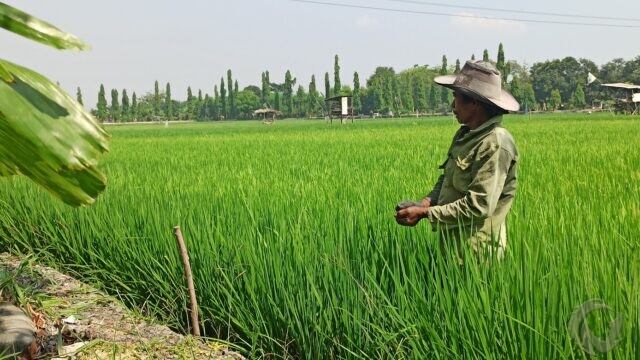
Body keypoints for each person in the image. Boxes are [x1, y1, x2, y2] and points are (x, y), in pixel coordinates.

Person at [395, 60, 520, 263]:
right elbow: (447, 178)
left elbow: (479, 205)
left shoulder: (495, 143)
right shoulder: (466, 135)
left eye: (457, 99)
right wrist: (424, 203)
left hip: (477, 255)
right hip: (452, 249)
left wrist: (425, 213)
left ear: (475, 103)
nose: (453, 105)